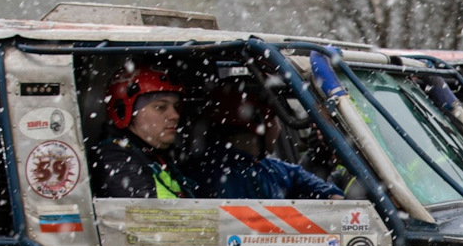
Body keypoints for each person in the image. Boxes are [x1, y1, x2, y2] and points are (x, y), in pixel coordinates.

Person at [188, 84, 341, 200]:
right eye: (275, 118)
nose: (279, 127)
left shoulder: (264, 167)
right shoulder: (222, 176)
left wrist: (331, 195)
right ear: (259, 122)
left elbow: (301, 178)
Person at [91, 68, 188, 198]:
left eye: (176, 107)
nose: (175, 115)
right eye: (160, 107)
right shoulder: (116, 158)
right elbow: (155, 212)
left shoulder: (158, 156)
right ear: (127, 113)